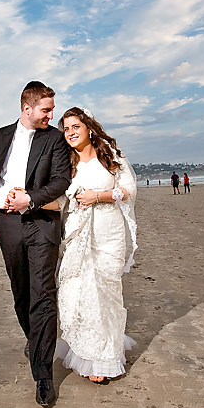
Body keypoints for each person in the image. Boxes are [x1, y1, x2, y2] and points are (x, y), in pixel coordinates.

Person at [0, 81, 71, 408]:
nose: (50, 115)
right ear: (27, 108)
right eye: (46, 110)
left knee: (43, 293)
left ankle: (43, 374)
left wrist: (31, 199)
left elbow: (61, 180)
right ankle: (35, 339)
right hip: (6, 223)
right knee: (21, 292)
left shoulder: (53, 138)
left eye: (51, 110)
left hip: (41, 222)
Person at [54, 107, 137, 384]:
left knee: (107, 295)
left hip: (109, 234)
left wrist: (99, 196)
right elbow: (61, 201)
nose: (71, 133)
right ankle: (89, 355)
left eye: (75, 126)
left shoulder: (111, 157)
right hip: (78, 236)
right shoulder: (66, 163)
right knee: (80, 294)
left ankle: (106, 356)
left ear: (89, 128)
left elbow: (129, 190)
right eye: (66, 129)